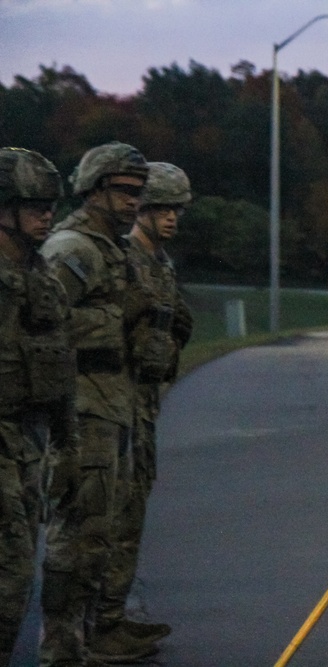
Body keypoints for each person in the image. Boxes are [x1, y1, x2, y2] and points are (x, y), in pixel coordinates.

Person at [39, 141, 158, 666]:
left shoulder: (113, 248)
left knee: (104, 533)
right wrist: (117, 322)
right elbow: (40, 325)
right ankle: (62, 648)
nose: (134, 203)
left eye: (139, 193)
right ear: (93, 190)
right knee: (79, 535)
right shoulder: (73, 249)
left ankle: (94, 636)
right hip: (82, 410)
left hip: (114, 405)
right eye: (123, 191)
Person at [94, 162, 193, 651]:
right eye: (160, 208)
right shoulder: (126, 258)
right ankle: (97, 625)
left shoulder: (162, 263)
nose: (170, 217)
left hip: (145, 402)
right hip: (117, 400)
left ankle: (112, 616)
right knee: (108, 516)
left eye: (176, 208)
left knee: (133, 511)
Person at [0, 148, 76, 666]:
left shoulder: (42, 272)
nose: (46, 214)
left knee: (17, 578)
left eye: (49, 204)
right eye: (32, 204)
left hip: (28, 443)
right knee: (9, 578)